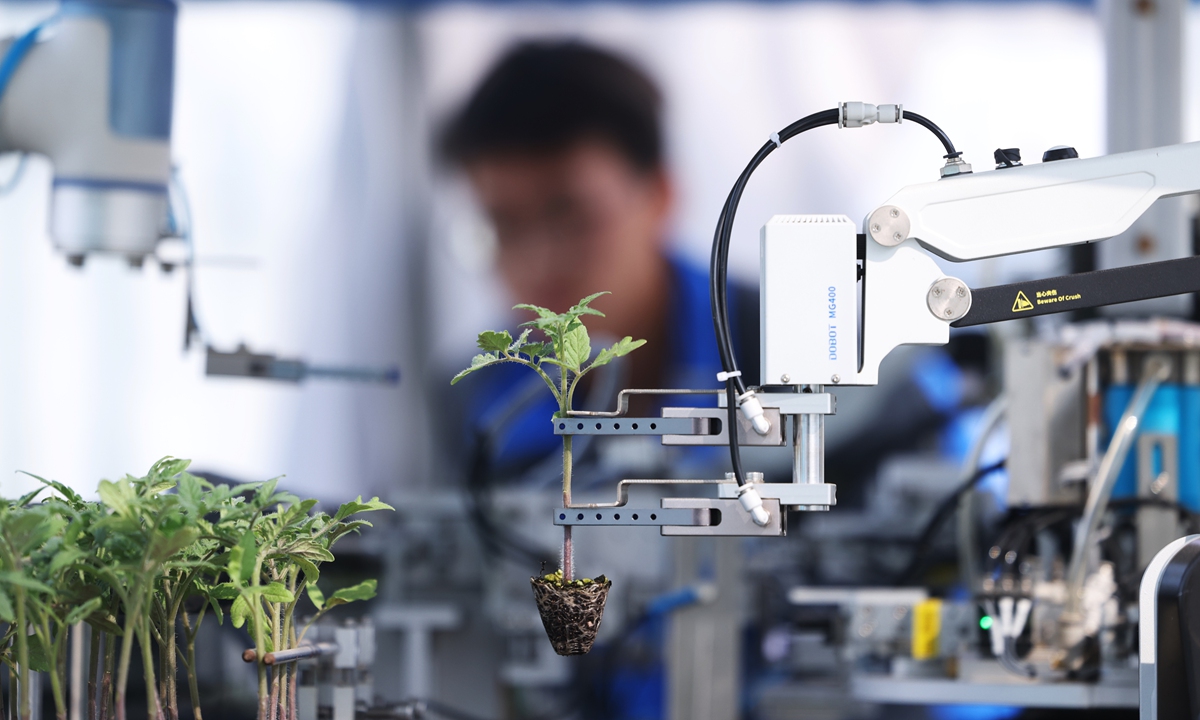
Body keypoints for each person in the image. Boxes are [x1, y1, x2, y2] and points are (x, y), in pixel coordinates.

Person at [441, 41, 759, 485]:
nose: (538, 260)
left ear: (661, 195)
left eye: (571, 216)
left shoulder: (787, 357)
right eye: (505, 226)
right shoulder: (471, 398)